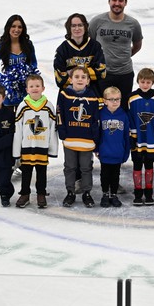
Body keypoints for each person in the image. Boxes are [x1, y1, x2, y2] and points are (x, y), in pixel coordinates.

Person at [56, 66, 101, 208]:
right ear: (70, 79)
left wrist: (95, 136)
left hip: (86, 140)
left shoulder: (93, 96)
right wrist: (62, 131)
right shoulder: (64, 94)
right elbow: (59, 113)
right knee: (70, 167)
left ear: (88, 81)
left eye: (83, 77)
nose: (80, 80)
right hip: (70, 138)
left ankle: (87, 192)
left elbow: (96, 118)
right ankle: (70, 192)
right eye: (76, 77)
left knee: (86, 167)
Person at [12, 74, 59, 209]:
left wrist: (52, 148)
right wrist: (16, 150)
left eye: (37, 86)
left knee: (41, 172)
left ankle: (41, 194)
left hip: (42, 146)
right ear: (27, 89)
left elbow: (52, 128)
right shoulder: (23, 106)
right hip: (26, 146)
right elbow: (18, 129)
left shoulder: (48, 106)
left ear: (43, 88)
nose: (34, 88)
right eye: (31, 86)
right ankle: (25, 194)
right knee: (26, 172)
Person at [90, 0, 143, 107]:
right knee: (102, 108)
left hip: (125, 74)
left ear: (125, 2)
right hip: (102, 74)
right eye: (114, 0)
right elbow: (90, 44)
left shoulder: (133, 24)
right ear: (109, 1)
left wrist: (124, 56)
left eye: (120, 0)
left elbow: (137, 45)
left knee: (122, 108)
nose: (117, 3)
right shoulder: (97, 21)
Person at [128, 68, 154, 206]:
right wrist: (132, 137)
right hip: (137, 139)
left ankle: (149, 193)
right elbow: (130, 118)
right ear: (138, 81)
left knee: (149, 165)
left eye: (148, 82)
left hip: (151, 140)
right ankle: (137, 193)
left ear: (153, 82)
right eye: (142, 82)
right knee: (137, 165)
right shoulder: (132, 97)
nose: (145, 85)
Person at [0, 14, 39, 106]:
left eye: (20, 27)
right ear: (8, 27)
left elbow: (34, 62)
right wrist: (5, 79)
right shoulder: (1, 48)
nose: (16, 29)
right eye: (13, 26)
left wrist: (29, 73)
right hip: (9, 90)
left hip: (26, 88)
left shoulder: (28, 44)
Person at [96, 86, 130, 208]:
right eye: (111, 99)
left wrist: (126, 152)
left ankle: (114, 194)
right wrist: (96, 149)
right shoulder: (100, 114)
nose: (115, 102)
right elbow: (97, 134)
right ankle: (105, 194)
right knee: (105, 175)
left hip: (118, 152)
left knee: (115, 175)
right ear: (105, 101)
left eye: (117, 99)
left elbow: (126, 136)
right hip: (105, 152)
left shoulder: (124, 115)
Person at [53, 13, 106, 90]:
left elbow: (101, 72)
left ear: (85, 27)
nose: (77, 28)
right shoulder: (62, 49)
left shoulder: (95, 46)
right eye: (73, 26)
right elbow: (60, 79)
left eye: (80, 25)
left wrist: (73, 73)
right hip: (69, 92)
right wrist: (87, 73)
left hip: (92, 91)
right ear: (69, 28)